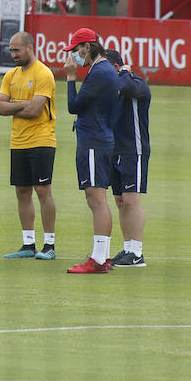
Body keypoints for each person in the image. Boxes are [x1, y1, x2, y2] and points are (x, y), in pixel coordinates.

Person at [0, 32, 58, 260]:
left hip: (42, 140)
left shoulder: (43, 74)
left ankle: (49, 245)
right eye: (11, 50)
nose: (13, 55)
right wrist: (23, 104)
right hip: (17, 141)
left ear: (30, 48)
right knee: (22, 192)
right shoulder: (10, 75)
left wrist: (14, 105)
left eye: (16, 50)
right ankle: (28, 244)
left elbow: (35, 111)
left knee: (43, 191)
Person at [63, 28, 119, 274]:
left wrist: (70, 77)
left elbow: (73, 106)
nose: (74, 56)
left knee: (96, 199)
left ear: (87, 46)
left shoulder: (99, 72)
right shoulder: (104, 70)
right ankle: (102, 256)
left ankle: (98, 260)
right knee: (97, 199)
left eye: (75, 50)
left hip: (94, 140)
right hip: (99, 138)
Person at [106, 49, 151, 268]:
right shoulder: (112, 87)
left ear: (116, 68)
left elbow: (126, 86)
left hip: (134, 149)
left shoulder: (136, 83)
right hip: (114, 151)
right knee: (120, 200)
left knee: (131, 199)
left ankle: (137, 252)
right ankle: (128, 248)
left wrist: (123, 72)